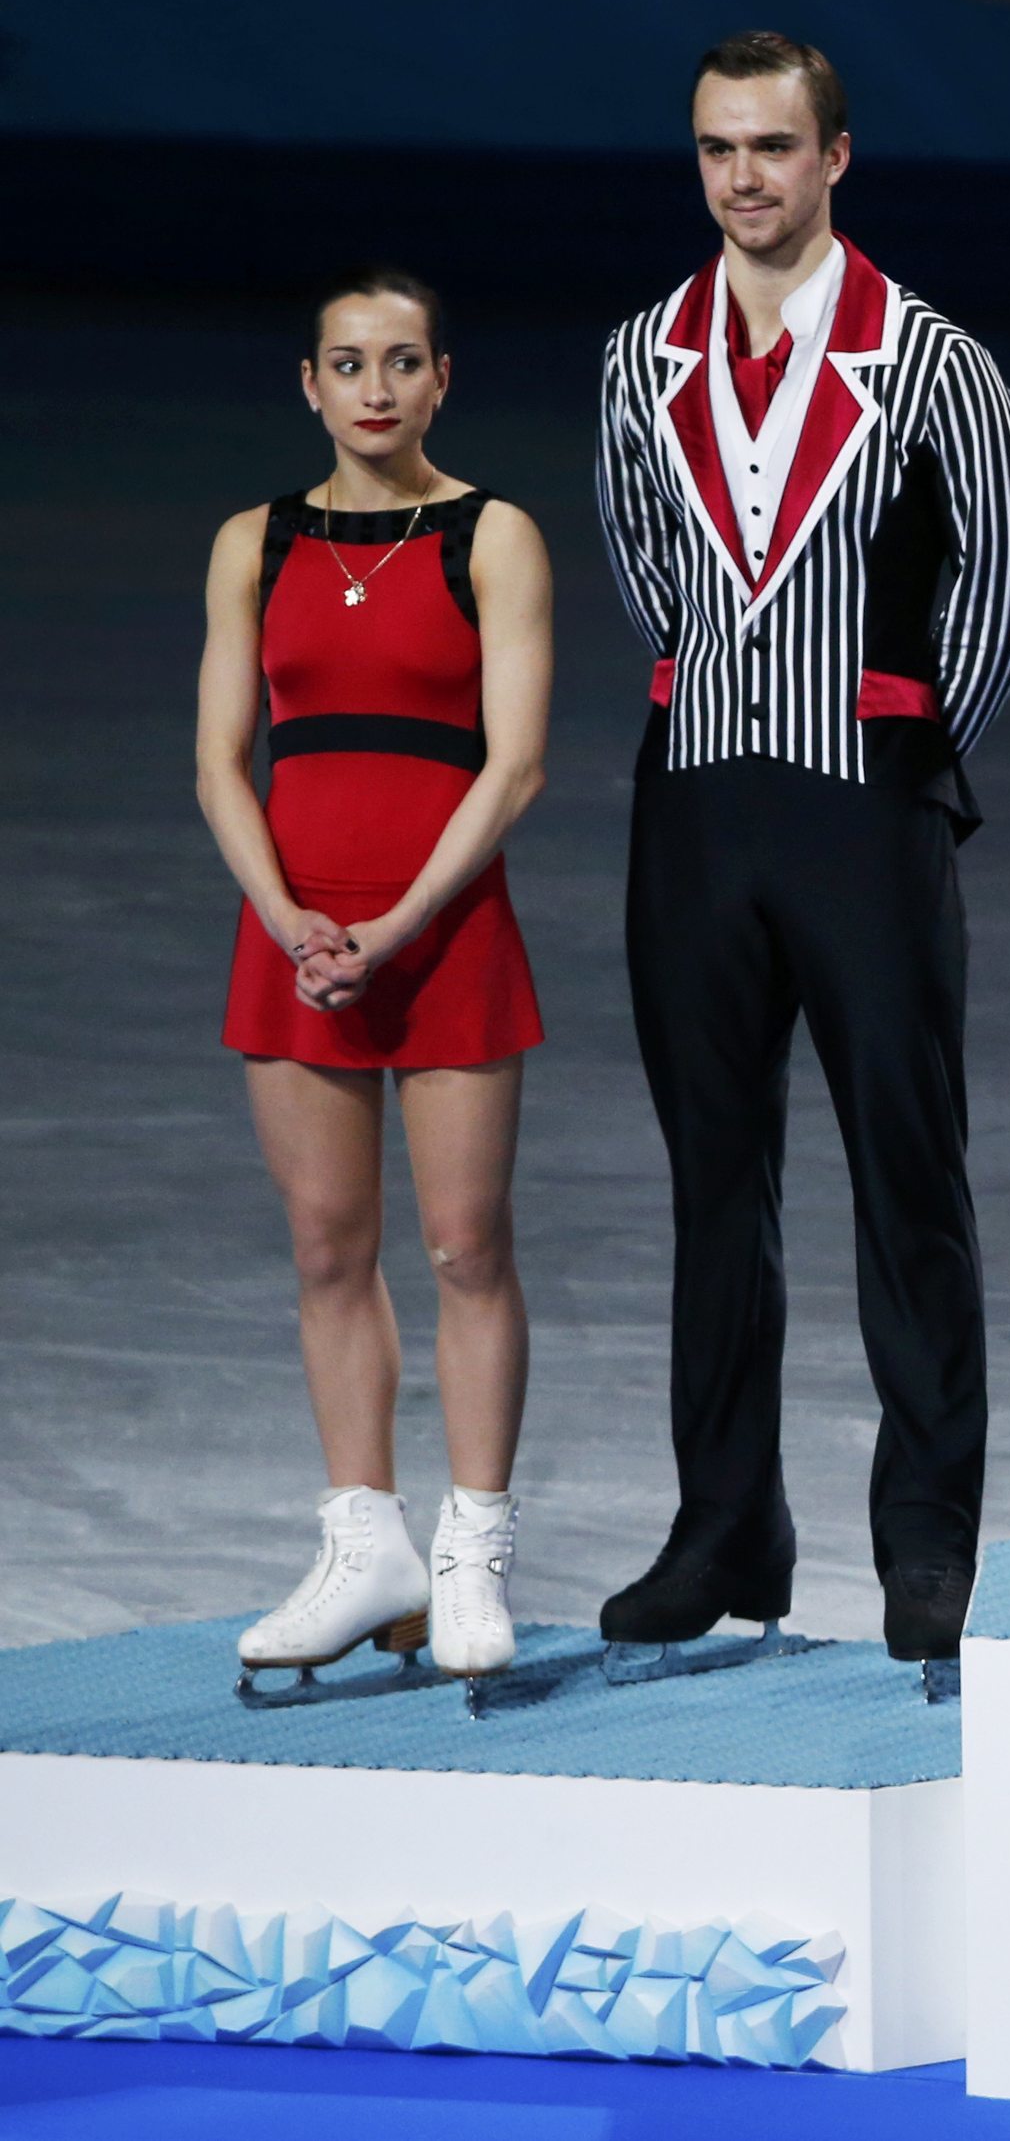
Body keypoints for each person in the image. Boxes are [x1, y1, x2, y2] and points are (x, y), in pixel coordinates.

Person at [592, 33, 1010, 1670]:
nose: (744, 178)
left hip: (866, 801)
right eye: (718, 148)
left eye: (774, 147)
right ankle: (727, 1528)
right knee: (716, 1185)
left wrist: (906, 744)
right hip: (698, 801)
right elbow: (646, 555)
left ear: (835, 157)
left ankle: (925, 1540)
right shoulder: (643, 354)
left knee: (904, 1176)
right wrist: (734, 684)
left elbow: (1009, 569)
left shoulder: (930, 359)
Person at [197, 267, 555, 1685]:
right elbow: (224, 758)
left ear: (441, 379)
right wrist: (286, 914)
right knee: (328, 1247)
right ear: (310, 383)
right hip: (294, 933)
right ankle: (368, 1545)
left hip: (443, 924)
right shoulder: (253, 541)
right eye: (347, 364)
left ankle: (471, 1548)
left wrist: (400, 923)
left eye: (403, 363)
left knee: (469, 1245)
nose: (375, 389)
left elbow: (514, 763)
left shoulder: (494, 533)